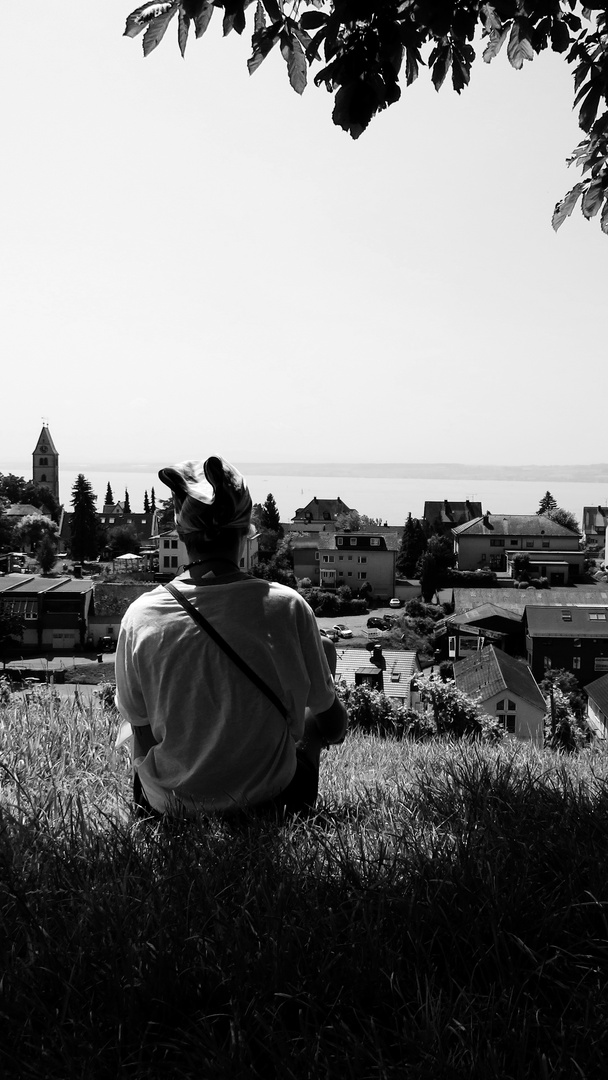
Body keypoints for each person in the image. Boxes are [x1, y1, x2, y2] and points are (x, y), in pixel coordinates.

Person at [115, 455, 348, 819]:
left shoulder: (140, 616)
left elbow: (143, 737)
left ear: (179, 533)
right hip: (273, 802)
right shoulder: (286, 606)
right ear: (245, 535)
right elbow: (334, 726)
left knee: (135, 724)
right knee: (316, 707)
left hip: (167, 807)